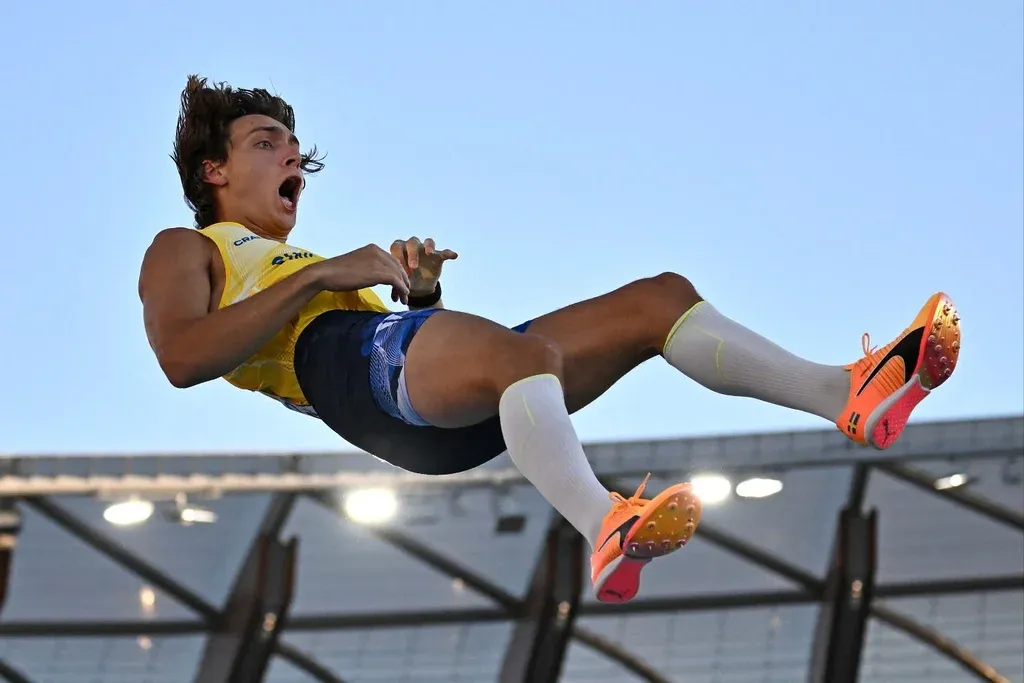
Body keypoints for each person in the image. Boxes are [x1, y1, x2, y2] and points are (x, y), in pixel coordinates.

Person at [139, 75, 961, 604]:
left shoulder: (301, 267)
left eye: (293, 148)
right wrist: (322, 276)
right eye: (265, 143)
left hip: (404, 379)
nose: (291, 156)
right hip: (342, 370)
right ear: (213, 172)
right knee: (520, 357)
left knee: (658, 299)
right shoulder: (187, 247)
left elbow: (414, 353)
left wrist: (422, 296)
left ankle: (845, 393)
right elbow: (182, 358)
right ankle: (604, 523)